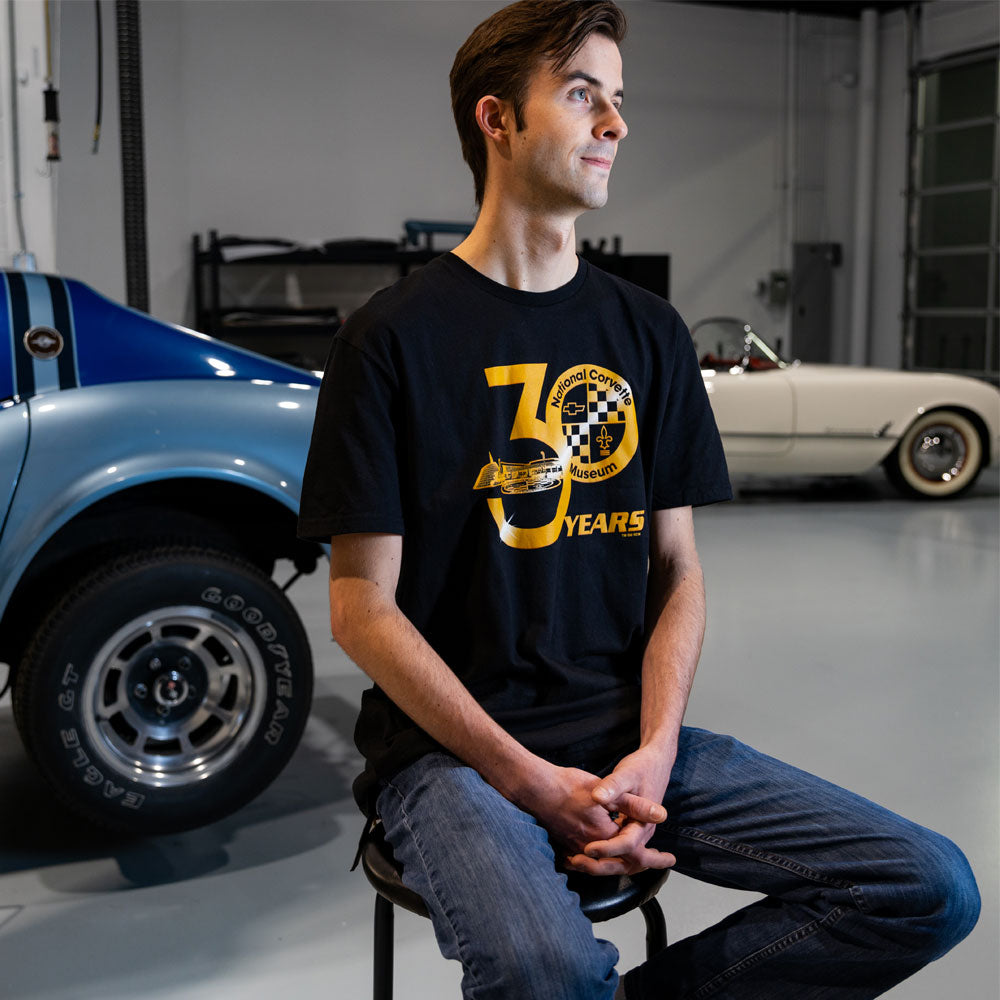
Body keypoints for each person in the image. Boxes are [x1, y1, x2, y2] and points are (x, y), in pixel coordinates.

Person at [298, 2, 980, 997]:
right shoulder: (390, 340)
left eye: (619, 101)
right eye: (583, 96)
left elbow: (677, 568)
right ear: (498, 120)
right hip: (452, 759)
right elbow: (361, 607)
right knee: (544, 969)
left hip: (626, 741)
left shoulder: (648, 334)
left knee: (926, 885)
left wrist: (655, 752)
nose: (615, 124)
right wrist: (529, 780)